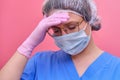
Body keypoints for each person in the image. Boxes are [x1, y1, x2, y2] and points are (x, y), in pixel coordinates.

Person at [0, 0, 120, 80]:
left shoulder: (116, 68)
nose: (64, 35)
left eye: (71, 27)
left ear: (90, 20)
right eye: (56, 30)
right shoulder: (40, 63)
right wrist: (28, 45)